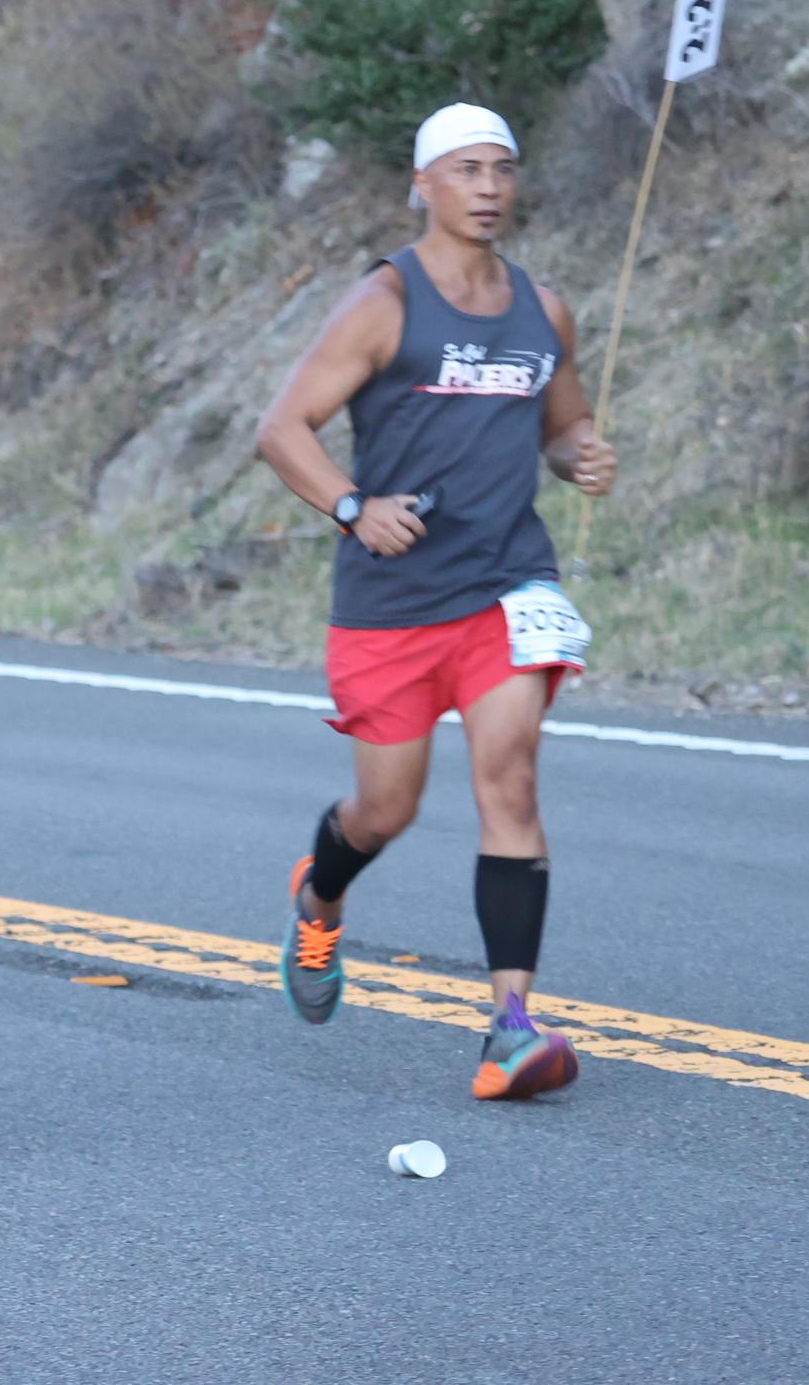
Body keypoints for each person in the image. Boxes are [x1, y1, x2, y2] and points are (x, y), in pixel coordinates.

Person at [254, 103, 618, 1101]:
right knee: (387, 808)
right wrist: (351, 507)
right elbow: (283, 427)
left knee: (512, 781)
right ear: (423, 184)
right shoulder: (383, 303)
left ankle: (511, 1027)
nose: (489, 187)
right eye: (467, 169)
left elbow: (562, 426)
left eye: (503, 168)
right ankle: (321, 895)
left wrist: (578, 455)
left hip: (507, 587)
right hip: (392, 602)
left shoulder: (544, 311)